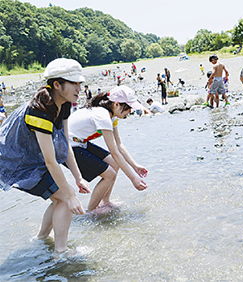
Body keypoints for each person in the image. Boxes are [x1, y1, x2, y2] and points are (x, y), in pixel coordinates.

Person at [0, 58, 90, 254]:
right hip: (16, 163)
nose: (79, 88)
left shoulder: (64, 105)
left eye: (80, 83)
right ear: (57, 84)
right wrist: (71, 194)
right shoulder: (39, 111)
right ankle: (61, 252)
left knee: (59, 197)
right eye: (74, 83)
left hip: (34, 159)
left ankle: (40, 239)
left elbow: (65, 144)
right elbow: (50, 161)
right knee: (65, 199)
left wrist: (78, 177)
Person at [67, 86, 148, 214]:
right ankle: (91, 211)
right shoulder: (102, 115)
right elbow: (114, 151)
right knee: (109, 174)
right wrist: (133, 178)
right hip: (68, 147)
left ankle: (105, 201)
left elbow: (119, 145)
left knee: (114, 164)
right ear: (116, 104)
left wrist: (135, 166)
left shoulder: (112, 117)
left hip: (81, 143)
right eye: (128, 107)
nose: (130, 111)